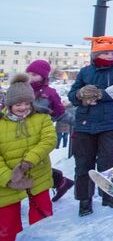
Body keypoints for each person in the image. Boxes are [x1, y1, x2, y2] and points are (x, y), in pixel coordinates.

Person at [0, 74, 57, 241]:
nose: (23, 107)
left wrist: (27, 163)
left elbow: (49, 140)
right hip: (7, 184)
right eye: (18, 104)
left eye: (26, 103)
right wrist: (9, 177)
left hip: (38, 176)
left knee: (42, 219)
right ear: (9, 105)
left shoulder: (41, 117)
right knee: (7, 226)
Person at [68, 35, 113, 216]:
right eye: (108, 53)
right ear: (97, 54)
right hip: (85, 124)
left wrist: (100, 94)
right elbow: (72, 95)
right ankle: (84, 201)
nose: (112, 56)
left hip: (109, 123)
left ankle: (108, 196)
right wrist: (80, 94)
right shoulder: (85, 72)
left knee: (109, 162)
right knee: (83, 163)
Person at [26, 59, 74, 202]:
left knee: (33, 164)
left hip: (41, 134)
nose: (30, 77)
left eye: (34, 74)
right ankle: (61, 181)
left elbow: (60, 113)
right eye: (29, 73)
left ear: (43, 76)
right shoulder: (20, 89)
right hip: (19, 132)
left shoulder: (50, 93)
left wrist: (78, 123)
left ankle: (58, 182)